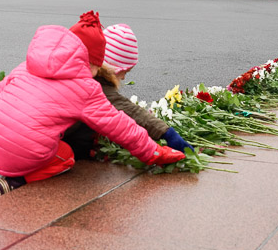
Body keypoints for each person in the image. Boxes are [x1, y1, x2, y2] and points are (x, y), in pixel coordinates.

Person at [0, 11, 185, 196]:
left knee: (29, 136)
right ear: (93, 62)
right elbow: (120, 126)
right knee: (66, 157)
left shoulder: (28, 65)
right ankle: (16, 181)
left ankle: (15, 165)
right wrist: (155, 152)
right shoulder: (85, 86)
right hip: (24, 149)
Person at [63, 24, 194, 160]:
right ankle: (80, 152)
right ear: (112, 67)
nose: (124, 77)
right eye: (124, 71)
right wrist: (167, 134)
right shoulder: (95, 86)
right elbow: (130, 111)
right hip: (58, 142)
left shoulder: (79, 70)